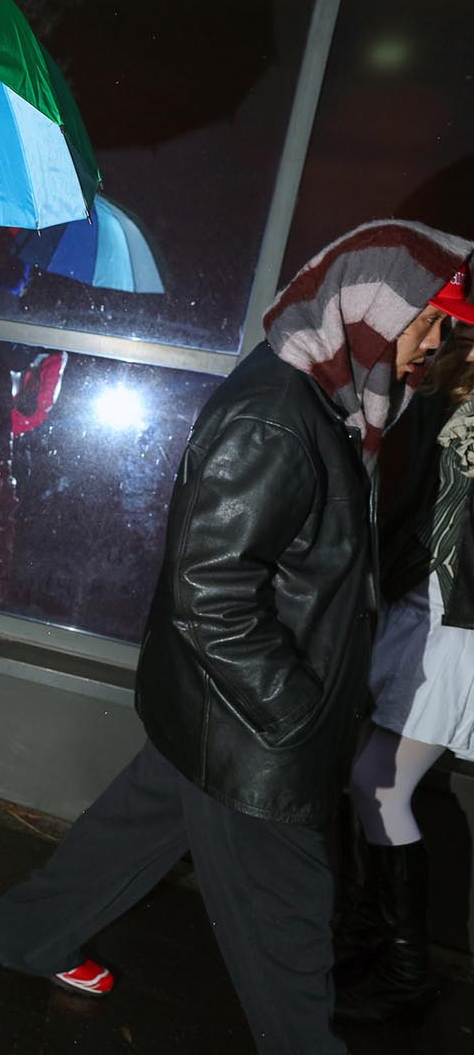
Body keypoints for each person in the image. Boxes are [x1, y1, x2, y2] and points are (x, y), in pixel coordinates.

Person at [0, 219, 473, 1054]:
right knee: (289, 930)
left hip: (222, 707)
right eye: (425, 322)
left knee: (138, 824)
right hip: (257, 727)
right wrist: (299, 717)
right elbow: (208, 594)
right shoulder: (280, 417)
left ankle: (23, 933)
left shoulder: (326, 396)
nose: (429, 346)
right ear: (372, 309)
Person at [338, 267, 474, 1024]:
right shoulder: (442, 380)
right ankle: (365, 936)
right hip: (411, 605)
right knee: (363, 780)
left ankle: (407, 973)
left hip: (458, 627)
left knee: (377, 784)